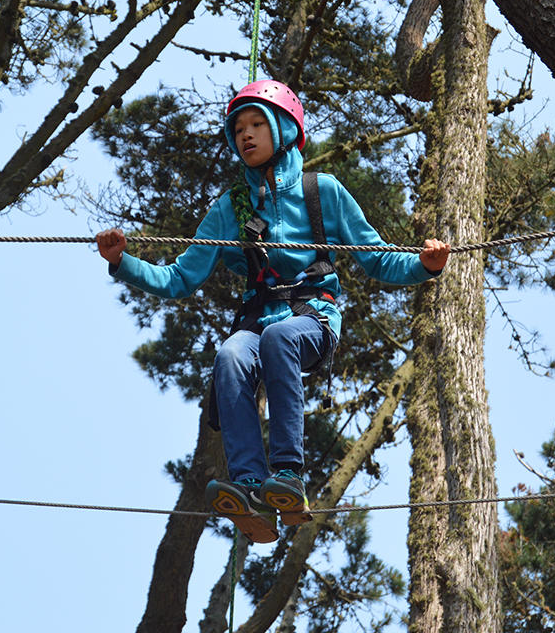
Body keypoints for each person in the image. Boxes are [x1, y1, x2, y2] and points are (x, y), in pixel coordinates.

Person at [97, 80, 449, 543]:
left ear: (283, 127)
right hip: (258, 321)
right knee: (230, 355)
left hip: (312, 318)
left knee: (279, 338)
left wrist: (425, 265)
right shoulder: (230, 208)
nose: (246, 135)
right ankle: (247, 484)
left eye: (257, 124)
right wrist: (122, 262)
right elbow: (180, 278)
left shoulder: (322, 192)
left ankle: (287, 474)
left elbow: (375, 255)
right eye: (238, 128)